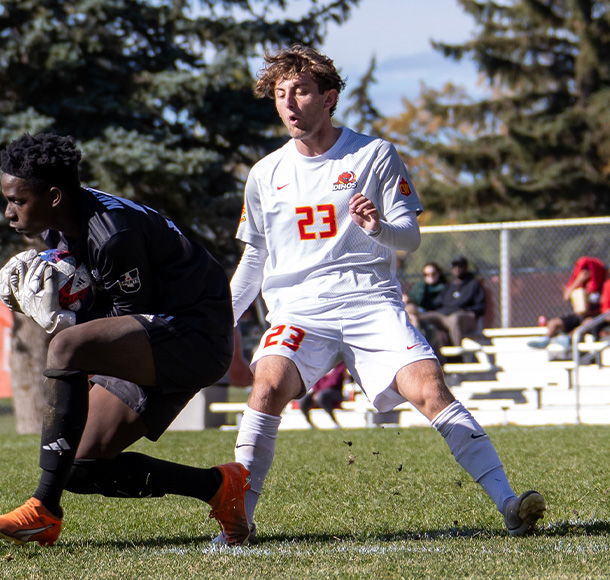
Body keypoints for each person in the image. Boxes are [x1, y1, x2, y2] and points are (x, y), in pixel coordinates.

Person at [226, 45, 544, 542]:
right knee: (266, 387)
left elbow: (409, 237)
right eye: (280, 94)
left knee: (430, 387)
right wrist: (222, 316)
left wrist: (377, 228)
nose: (289, 103)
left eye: (302, 91)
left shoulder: (373, 154)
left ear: (329, 98)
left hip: (370, 300)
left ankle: (509, 503)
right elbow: (254, 260)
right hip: (299, 309)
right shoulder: (265, 172)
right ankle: (237, 523)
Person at [0, 132, 251, 547]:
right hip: (160, 332)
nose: (8, 212)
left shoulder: (112, 234)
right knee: (76, 464)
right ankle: (218, 487)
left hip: (196, 335)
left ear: (53, 196)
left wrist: (66, 318)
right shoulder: (62, 226)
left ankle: (43, 511)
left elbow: (129, 318)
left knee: (66, 346)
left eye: (18, 201)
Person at [528, 256, 607, 349]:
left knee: (587, 322)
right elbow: (566, 296)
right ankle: (545, 339)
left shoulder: (603, 285)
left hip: (596, 317)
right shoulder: (579, 284)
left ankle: (569, 338)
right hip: (579, 316)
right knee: (554, 323)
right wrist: (578, 280)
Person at [418, 256, 487, 347]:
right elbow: (437, 304)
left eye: (460, 266)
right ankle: (424, 351)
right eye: (454, 266)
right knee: (420, 318)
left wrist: (465, 310)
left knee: (455, 319)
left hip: (464, 316)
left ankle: (458, 355)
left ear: (465, 267)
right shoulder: (449, 286)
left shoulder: (473, 284)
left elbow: (480, 307)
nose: (457, 269)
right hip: (444, 316)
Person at [298, 361, 346, 429]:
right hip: (319, 392)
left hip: (335, 391)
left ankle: (333, 421)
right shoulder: (321, 366)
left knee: (322, 396)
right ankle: (309, 422)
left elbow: (334, 381)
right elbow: (315, 380)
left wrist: (318, 392)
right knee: (303, 398)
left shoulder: (339, 366)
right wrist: (316, 392)